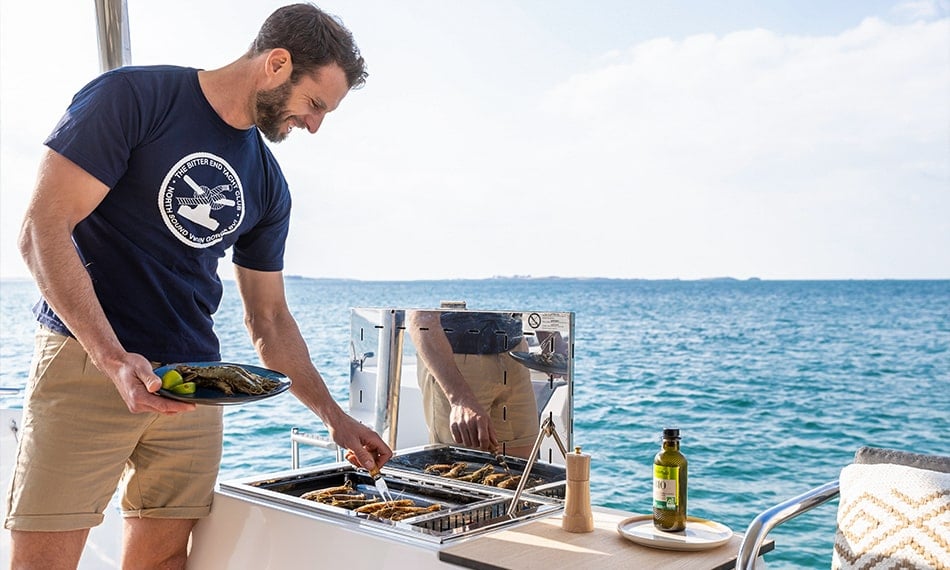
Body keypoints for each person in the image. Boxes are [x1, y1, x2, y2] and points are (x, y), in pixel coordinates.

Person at [5, 4, 392, 569]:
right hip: (87, 364)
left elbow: (269, 319)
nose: (314, 125)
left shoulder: (267, 183)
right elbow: (42, 230)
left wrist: (336, 418)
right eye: (314, 104)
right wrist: (113, 360)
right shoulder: (133, 98)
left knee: (163, 561)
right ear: (277, 64)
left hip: (194, 385)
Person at [407, 309, 540, 459]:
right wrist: (460, 399)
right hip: (457, 361)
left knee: (523, 466)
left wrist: (552, 340)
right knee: (463, 467)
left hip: (515, 353)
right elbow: (421, 318)